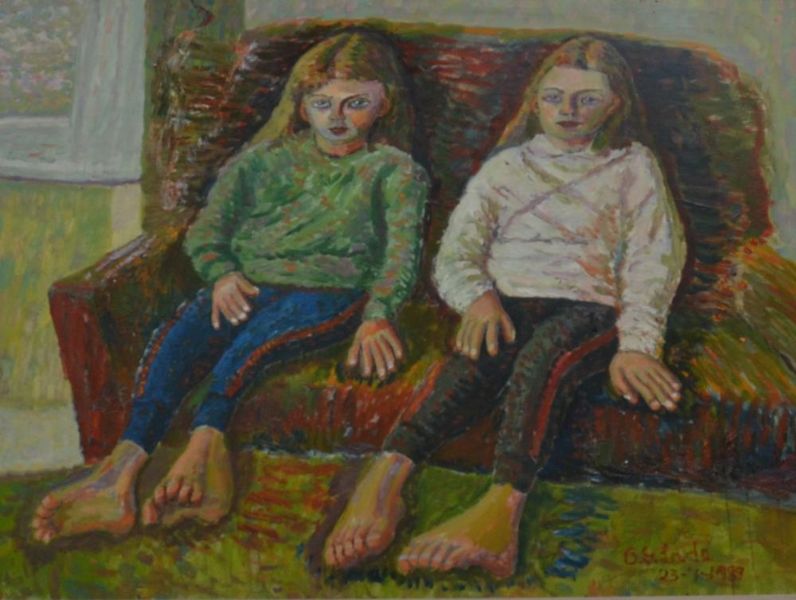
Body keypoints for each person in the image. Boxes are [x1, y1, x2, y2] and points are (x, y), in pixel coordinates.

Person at [31, 31, 428, 543]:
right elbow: (205, 233)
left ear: (383, 103)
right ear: (301, 105)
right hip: (248, 283)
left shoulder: (395, 170)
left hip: (330, 292)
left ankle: (205, 454)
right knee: (179, 336)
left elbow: (400, 257)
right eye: (321, 103)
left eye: (355, 103)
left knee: (247, 348)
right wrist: (221, 274)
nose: (336, 117)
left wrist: (379, 314)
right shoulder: (260, 160)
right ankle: (117, 476)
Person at [324, 36, 687, 579]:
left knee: (542, 358)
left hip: (590, 307)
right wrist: (478, 297)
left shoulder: (633, 165)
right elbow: (458, 251)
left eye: (586, 99)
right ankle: (385, 479)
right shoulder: (507, 167)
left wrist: (637, 345)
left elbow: (652, 258)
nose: (567, 110)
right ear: (535, 100)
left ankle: (500, 513)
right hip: (507, 299)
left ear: (615, 104)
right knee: (471, 363)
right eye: (554, 97)